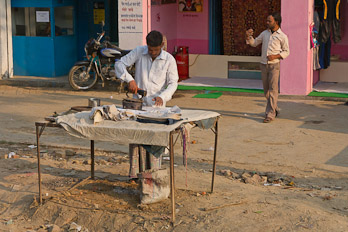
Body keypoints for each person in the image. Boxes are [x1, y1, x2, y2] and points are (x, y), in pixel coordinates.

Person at [115, 30, 179, 178]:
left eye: (156, 50)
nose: (152, 52)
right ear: (147, 45)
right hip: (138, 106)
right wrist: (129, 79)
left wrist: (163, 96)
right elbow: (119, 64)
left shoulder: (169, 59)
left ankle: (153, 176)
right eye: (150, 49)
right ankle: (135, 175)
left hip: (157, 108)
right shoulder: (139, 51)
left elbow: (173, 83)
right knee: (137, 141)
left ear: (162, 46)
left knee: (155, 142)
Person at [246, 12, 290, 123]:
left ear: (276, 22)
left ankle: (270, 114)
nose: (267, 23)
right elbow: (255, 43)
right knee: (266, 91)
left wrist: (275, 56)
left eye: (269, 21)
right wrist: (248, 36)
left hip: (274, 66)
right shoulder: (265, 33)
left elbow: (286, 51)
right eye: (267, 20)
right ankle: (274, 108)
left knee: (273, 90)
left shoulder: (282, 36)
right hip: (263, 65)